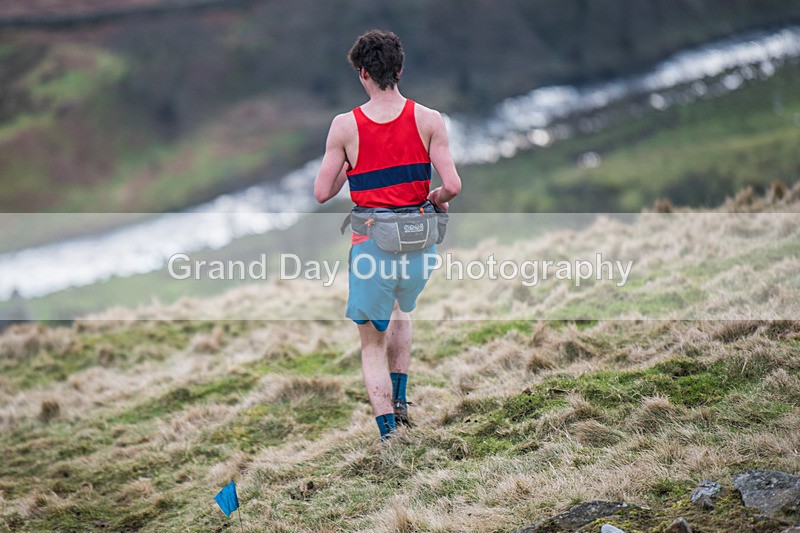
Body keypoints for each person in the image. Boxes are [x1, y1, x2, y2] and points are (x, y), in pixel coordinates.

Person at [314, 29, 462, 441]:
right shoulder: (430, 120)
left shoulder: (345, 127)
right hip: (418, 241)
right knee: (401, 310)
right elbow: (452, 185)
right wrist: (434, 195)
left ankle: (389, 434)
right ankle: (401, 404)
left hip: (372, 244)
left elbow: (323, 192)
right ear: (399, 69)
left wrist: (351, 163)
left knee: (370, 344)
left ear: (363, 73)